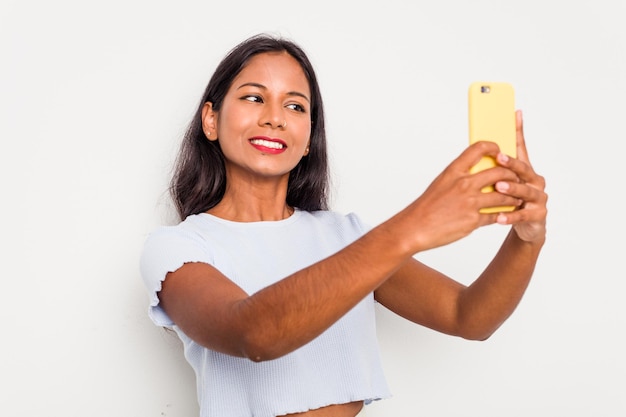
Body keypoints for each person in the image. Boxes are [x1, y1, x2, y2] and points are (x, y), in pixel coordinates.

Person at [140, 33, 547, 417]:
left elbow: (469, 316)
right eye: (253, 98)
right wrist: (413, 225)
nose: (274, 118)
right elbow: (254, 333)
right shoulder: (179, 247)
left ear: (308, 136)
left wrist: (526, 241)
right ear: (210, 120)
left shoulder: (346, 237)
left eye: (295, 106)